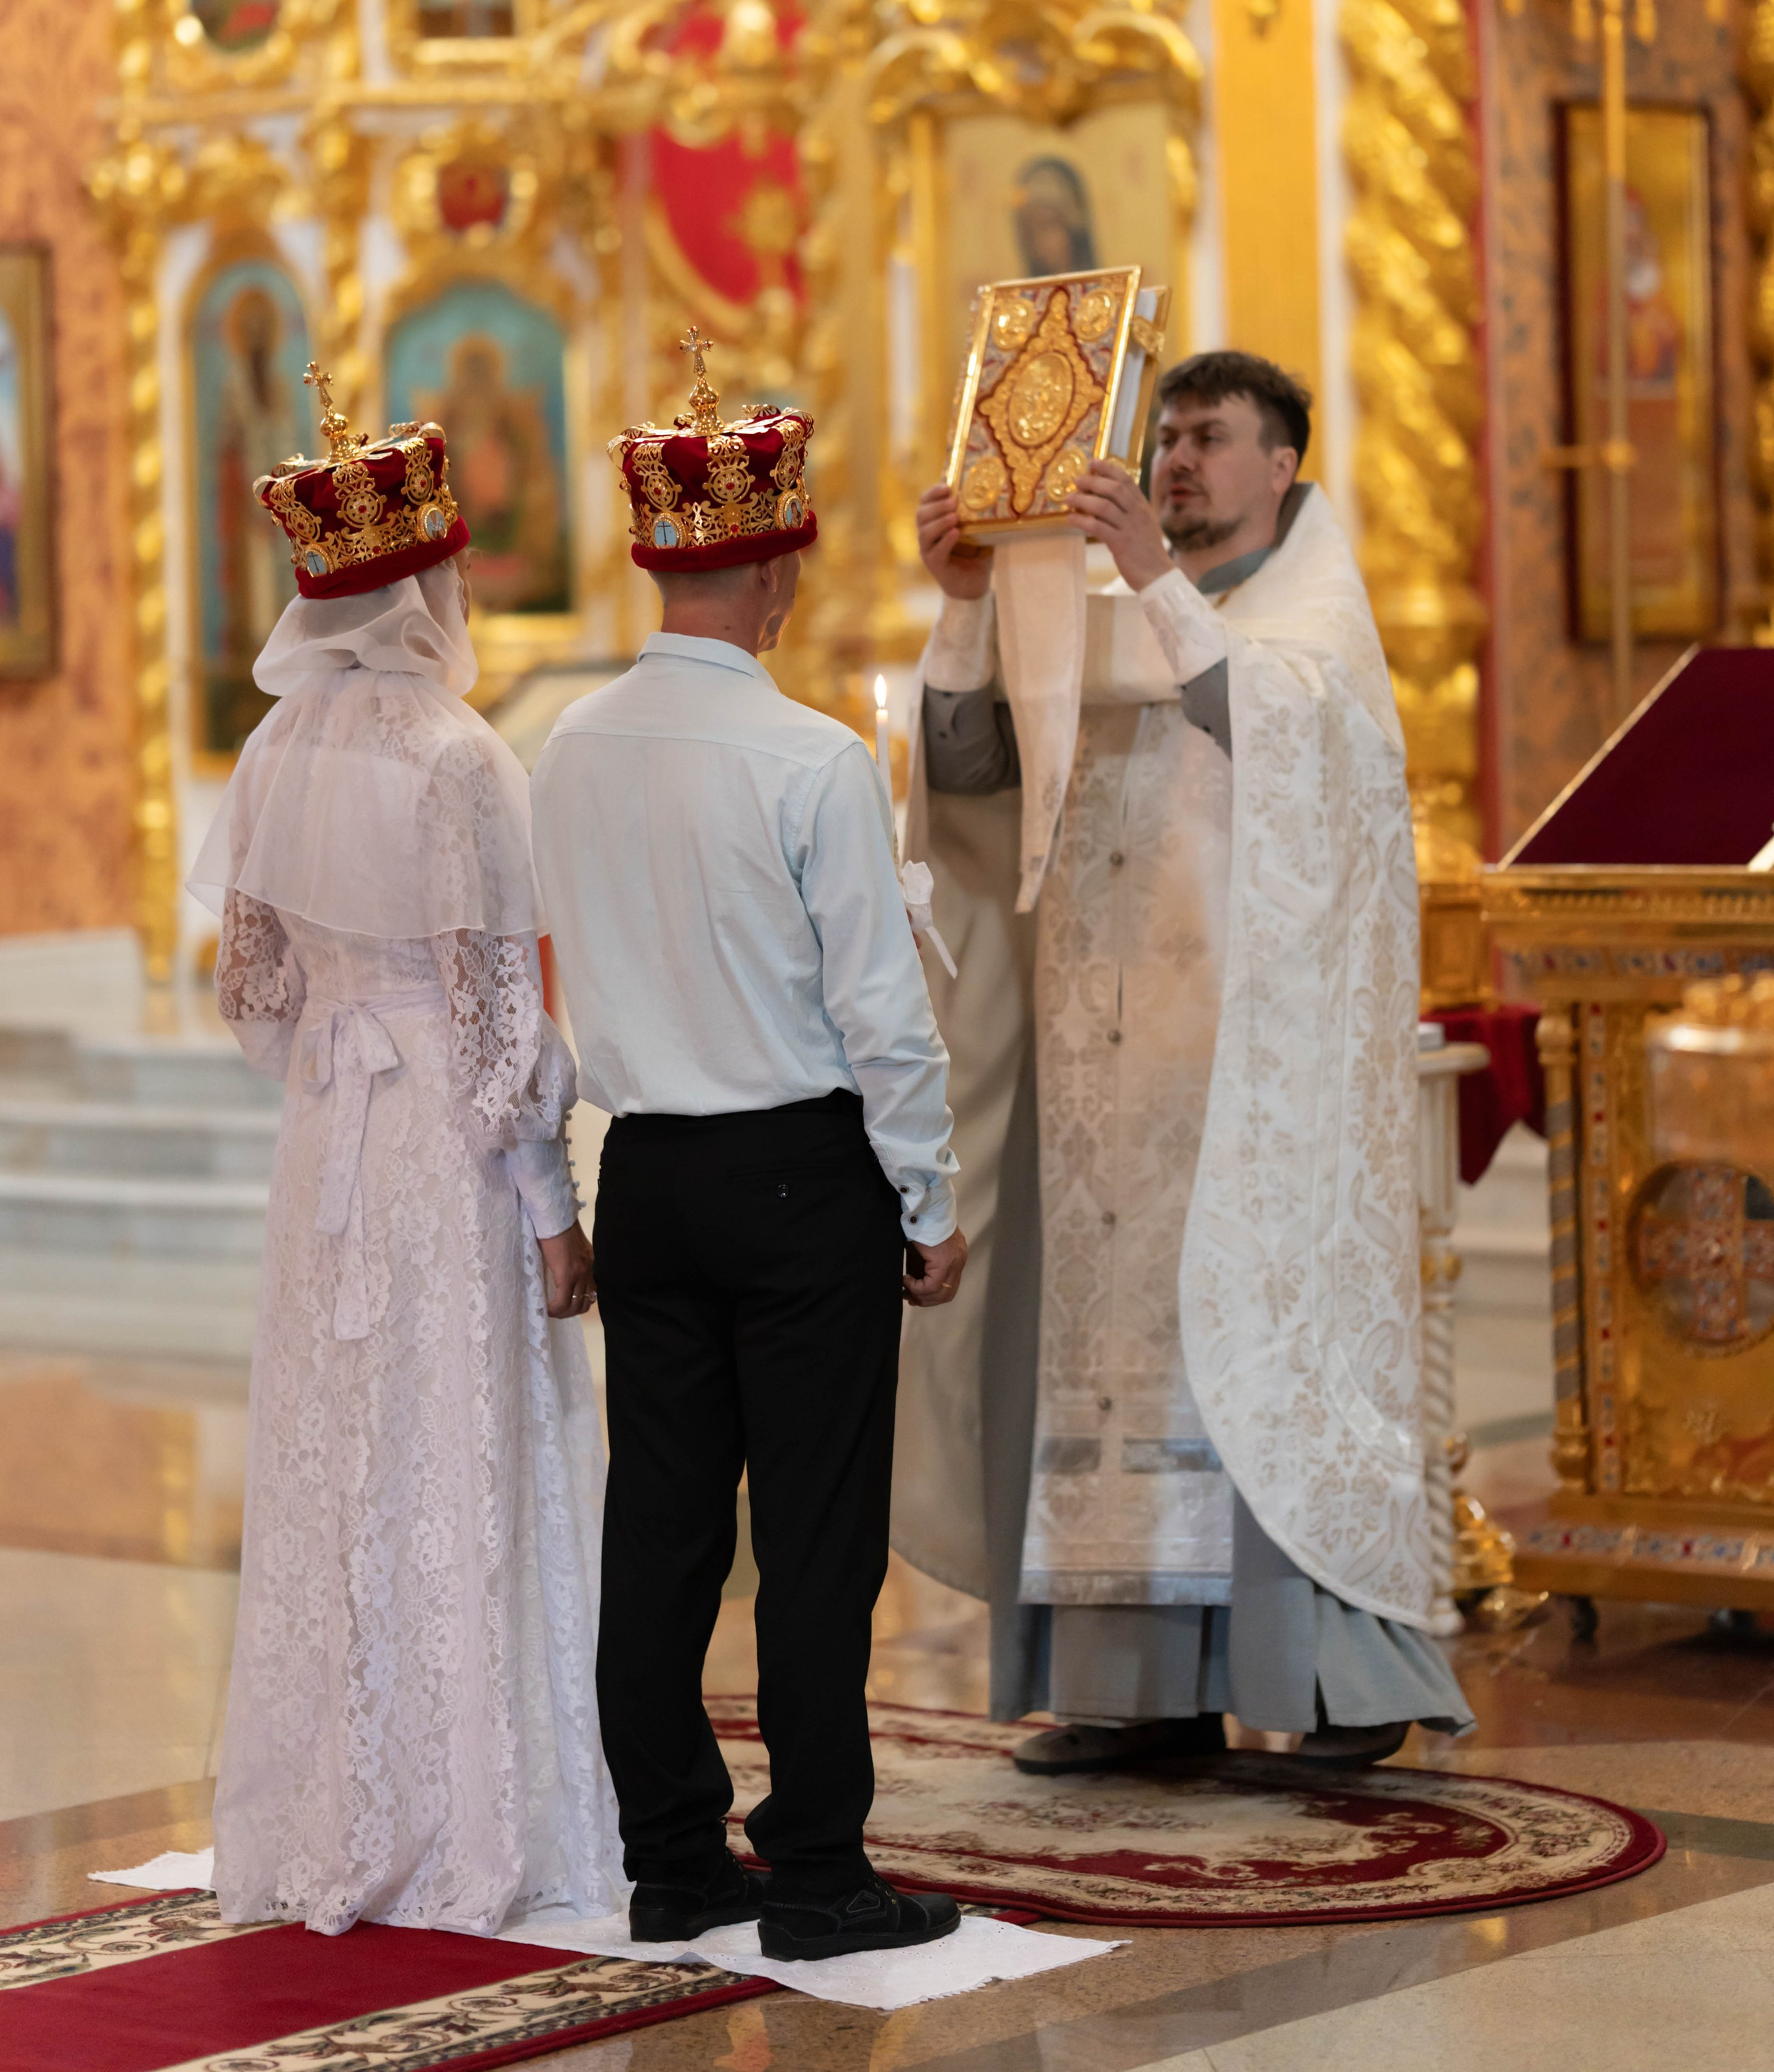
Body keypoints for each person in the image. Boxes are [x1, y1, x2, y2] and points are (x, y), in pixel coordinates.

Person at [896, 348, 1473, 1771]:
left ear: (1282, 466)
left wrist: (1150, 578)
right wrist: (968, 601)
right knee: (1107, 1386)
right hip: (1104, 1091)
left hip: (1249, 1093)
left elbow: (1271, 738)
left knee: (1262, 1376)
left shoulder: (1311, 628)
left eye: (1208, 438)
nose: (1172, 461)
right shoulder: (1100, 618)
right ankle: (1130, 1688)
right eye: (1162, 436)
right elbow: (968, 775)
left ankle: (1335, 1684)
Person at [531, 333, 968, 1963]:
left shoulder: (564, 746)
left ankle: (671, 1857)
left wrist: (562, 1189)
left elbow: (551, 973)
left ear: (655, 562)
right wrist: (926, 1195)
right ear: (777, 568)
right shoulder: (810, 759)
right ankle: (816, 1872)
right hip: (799, 1177)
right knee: (814, 1533)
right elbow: (879, 1013)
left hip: (642, 1172)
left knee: (660, 1525)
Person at [190, 368, 621, 1936]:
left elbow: (254, 991)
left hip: (328, 1150)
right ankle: (473, 1816)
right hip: (440, 1154)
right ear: (429, 589)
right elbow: (503, 1022)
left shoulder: (271, 757)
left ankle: (335, 1800)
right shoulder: (458, 760)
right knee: (463, 1453)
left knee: (338, 1460)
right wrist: (550, 1201)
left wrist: (332, 1053)